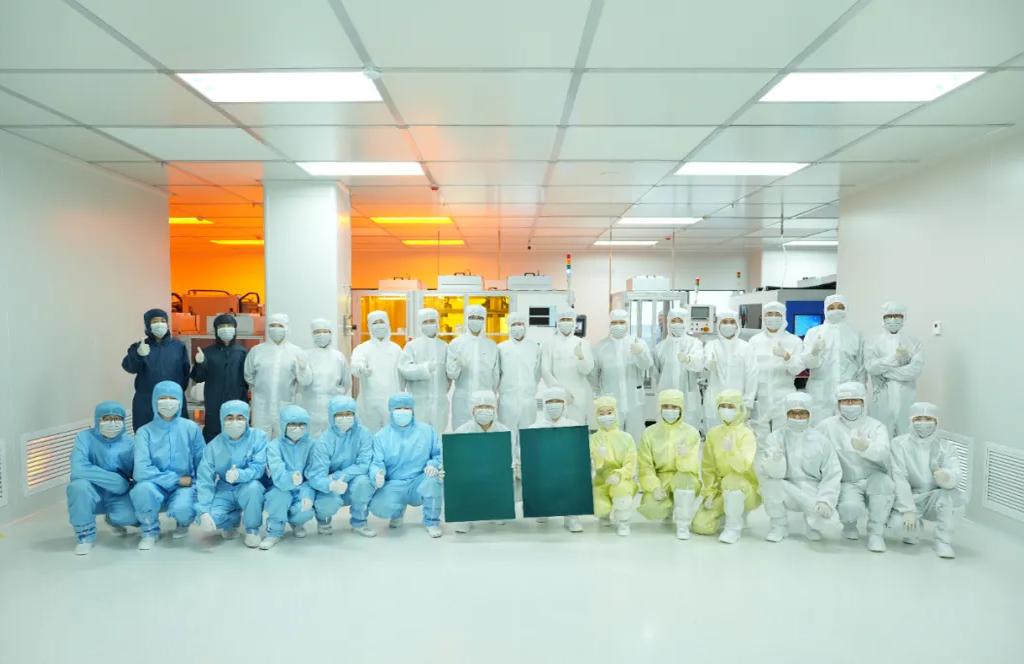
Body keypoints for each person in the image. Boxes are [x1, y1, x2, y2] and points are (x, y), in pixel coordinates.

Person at [816, 381, 894, 553]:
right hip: (847, 481)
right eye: (845, 401)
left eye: (854, 401)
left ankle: (876, 533)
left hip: (874, 477)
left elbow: (883, 451)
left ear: (863, 402)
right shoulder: (826, 426)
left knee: (885, 485)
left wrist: (866, 447)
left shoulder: (876, 426)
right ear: (837, 403)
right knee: (849, 508)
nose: (850, 405)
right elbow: (815, 451)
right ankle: (849, 525)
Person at [756, 392, 842, 543]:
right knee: (770, 485)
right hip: (786, 487)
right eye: (793, 413)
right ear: (786, 414)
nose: (797, 418)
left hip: (812, 489)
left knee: (831, 526)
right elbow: (771, 473)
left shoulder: (821, 441)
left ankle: (812, 527)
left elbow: (832, 474)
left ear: (810, 414)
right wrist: (776, 460)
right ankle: (779, 526)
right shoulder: (775, 437)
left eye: (802, 413)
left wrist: (826, 500)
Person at [129, 381, 205, 550]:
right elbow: (141, 471)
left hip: (185, 486)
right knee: (142, 490)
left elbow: (201, 461)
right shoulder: (145, 432)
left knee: (184, 510)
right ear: (155, 401)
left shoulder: (191, 428)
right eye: (163, 398)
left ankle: (183, 523)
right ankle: (150, 531)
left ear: (180, 401)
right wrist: (176, 480)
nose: (168, 402)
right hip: (155, 484)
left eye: (173, 398)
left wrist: (201, 487)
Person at [889, 402, 963, 559]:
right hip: (912, 497)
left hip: (933, 498)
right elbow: (899, 477)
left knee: (954, 497)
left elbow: (956, 473)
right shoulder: (899, 444)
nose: (923, 423)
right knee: (897, 527)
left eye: (928, 418)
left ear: (936, 422)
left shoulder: (946, 447)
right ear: (911, 421)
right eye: (918, 419)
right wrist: (908, 509)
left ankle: (942, 540)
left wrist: (947, 476)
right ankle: (914, 528)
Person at [367, 393, 444, 538]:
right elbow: (376, 462)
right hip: (394, 483)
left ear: (413, 410)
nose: (402, 411)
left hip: (419, 481)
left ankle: (432, 521)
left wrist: (433, 465)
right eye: (398, 408)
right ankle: (397, 512)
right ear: (391, 411)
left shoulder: (427, 431)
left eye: (406, 408)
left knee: (434, 480)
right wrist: (377, 473)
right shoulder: (381, 436)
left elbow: (438, 454)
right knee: (379, 506)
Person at [66, 401, 138, 555]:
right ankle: (85, 536)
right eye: (107, 418)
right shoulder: (84, 437)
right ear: (98, 419)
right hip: (92, 491)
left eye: (117, 418)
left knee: (131, 517)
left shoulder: (128, 443)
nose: (112, 423)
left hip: (118, 495)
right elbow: (79, 468)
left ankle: (113, 520)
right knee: (78, 487)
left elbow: (136, 472)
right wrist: (116, 482)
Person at [195, 401, 267, 549]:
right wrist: (204, 510)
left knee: (254, 488)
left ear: (247, 419)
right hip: (224, 489)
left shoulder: (258, 437)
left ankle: (252, 529)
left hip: (247, 485)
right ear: (222, 419)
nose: (235, 422)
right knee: (204, 519)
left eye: (240, 417)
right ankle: (232, 520)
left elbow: (259, 467)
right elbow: (204, 479)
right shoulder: (213, 446)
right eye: (230, 418)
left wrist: (240, 475)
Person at [692, 390, 761, 544]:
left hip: (745, 488)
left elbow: (742, 467)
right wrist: (710, 493)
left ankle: (733, 527)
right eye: (722, 406)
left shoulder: (747, 434)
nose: (726, 410)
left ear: (739, 408)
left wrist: (732, 452)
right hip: (722, 489)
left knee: (732, 480)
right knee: (701, 526)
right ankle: (729, 512)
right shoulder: (713, 434)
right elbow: (708, 468)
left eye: (731, 406)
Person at [636, 389, 702, 539]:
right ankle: (669, 509)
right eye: (666, 406)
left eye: (674, 407)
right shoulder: (650, 433)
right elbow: (645, 466)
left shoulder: (691, 433)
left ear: (681, 408)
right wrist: (654, 487)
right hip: (661, 478)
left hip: (683, 476)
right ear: (660, 408)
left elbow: (692, 467)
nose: (669, 410)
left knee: (684, 482)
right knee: (652, 508)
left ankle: (683, 524)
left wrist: (684, 457)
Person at [308, 395, 376, 538]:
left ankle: (360, 522)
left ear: (354, 414)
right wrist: (331, 484)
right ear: (332, 416)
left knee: (363, 482)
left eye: (348, 414)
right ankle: (324, 521)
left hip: (352, 481)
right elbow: (317, 475)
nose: (344, 418)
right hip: (331, 485)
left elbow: (364, 464)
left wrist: (337, 476)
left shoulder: (363, 434)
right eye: (340, 414)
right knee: (327, 501)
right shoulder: (324, 440)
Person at [452, 390, 514, 534]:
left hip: (495, 476)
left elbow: (511, 455)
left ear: (494, 409)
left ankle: (496, 510)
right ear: (472, 409)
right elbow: (454, 459)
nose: (484, 410)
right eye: (479, 407)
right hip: (470, 477)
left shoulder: (504, 431)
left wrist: (514, 465)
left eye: (488, 406)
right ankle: (465, 516)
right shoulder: (462, 431)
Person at [244, 313, 312, 439]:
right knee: (259, 441)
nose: (276, 329)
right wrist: (261, 389)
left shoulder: (296, 352)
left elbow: (305, 381)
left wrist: (303, 369)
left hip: (285, 406)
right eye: (272, 325)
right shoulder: (257, 351)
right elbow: (248, 376)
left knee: (284, 442)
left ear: (286, 328)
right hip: (261, 408)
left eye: (280, 326)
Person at [590, 309, 653, 443]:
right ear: (609, 324)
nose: (617, 325)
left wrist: (641, 353)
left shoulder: (638, 342)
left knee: (636, 438)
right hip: (611, 402)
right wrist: (599, 395)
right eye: (614, 322)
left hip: (634, 401)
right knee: (613, 439)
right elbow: (593, 374)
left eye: (621, 322)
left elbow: (646, 366)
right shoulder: (600, 347)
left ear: (627, 324)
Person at [121, 308, 190, 429]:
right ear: (148, 324)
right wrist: (138, 355)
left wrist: (176, 392)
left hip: (173, 400)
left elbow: (185, 372)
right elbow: (129, 367)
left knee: (177, 433)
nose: (160, 324)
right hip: (146, 401)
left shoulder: (178, 347)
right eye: (155, 321)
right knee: (146, 433)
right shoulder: (139, 346)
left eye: (163, 321)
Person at [260, 405, 317, 550]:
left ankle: (296, 523)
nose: (297, 428)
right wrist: (290, 478)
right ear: (284, 425)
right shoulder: (274, 446)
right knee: (279, 497)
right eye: (292, 424)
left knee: (305, 508)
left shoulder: (312, 445)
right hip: (280, 487)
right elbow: (277, 472)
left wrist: (308, 494)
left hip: (302, 488)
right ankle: (274, 532)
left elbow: (313, 474)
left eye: (301, 424)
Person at [865, 302, 925, 437]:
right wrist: (894, 359)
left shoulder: (914, 342)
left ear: (904, 317)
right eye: (889, 316)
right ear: (883, 318)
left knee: (906, 438)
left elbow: (914, 371)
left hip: (906, 399)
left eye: (897, 316)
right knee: (881, 436)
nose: (893, 320)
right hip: (881, 400)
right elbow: (871, 367)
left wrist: (885, 371)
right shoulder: (872, 342)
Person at [803, 295, 865, 424]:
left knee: (847, 427)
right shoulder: (814, 333)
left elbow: (861, 367)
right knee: (819, 427)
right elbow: (808, 364)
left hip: (847, 392)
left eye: (840, 307)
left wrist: (860, 391)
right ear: (825, 310)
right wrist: (814, 352)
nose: (836, 310)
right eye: (831, 307)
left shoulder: (855, 333)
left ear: (846, 309)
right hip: (821, 392)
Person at [531, 386, 584, 533]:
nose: (554, 405)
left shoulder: (574, 427)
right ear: (544, 404)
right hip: (544, 471)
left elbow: (581, 453)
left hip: (567, 471)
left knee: (572, 481)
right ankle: (542, 509)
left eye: (558, 401)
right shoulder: (534, 428)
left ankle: (571, 517)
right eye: (550, 401)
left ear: (564, 404)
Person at [749, 301, 805, 440]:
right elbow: (749, 371)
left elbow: (797, 370)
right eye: (769, 314)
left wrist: (786, 356)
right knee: (759, 438)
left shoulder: (794, 341)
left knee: (783, 438)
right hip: (760, 398)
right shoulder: (755, 341)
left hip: (783, 397)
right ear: (764, 317)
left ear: (783, 317)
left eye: (776, 314)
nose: (772, 318)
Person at [190, 313, 249, 442]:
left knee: (238, 435)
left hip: (237, 401)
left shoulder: (243, 352)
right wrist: (200, 364)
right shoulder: (208, 352)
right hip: (214, 404)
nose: (226, 329)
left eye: (229, 326)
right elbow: (198, 378)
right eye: (222, 326)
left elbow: (248, 379)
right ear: (216, 330)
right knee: (213, 437)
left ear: (235, 328)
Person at [398, 308, 451, 436]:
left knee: (438, 436)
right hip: (419, 403)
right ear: (420, 325)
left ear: (437, 323)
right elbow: (404, 369)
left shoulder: (444, 346)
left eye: (432, 321)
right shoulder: (412, 346)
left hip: (439, 403)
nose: (429, 325)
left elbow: (449, 375)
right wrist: (425, 368)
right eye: (425, 322)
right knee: (419, 436)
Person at [590, 397, 638, 537]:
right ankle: (604, 515)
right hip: (601, 480)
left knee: (621, 491)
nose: (606, 416)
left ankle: (623, 523)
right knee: (599, 507)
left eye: (609, 412)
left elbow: (631, 463)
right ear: (596, 416)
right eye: (601, 413)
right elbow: (590, 464)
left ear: (615, 413)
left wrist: (619, 474)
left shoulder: (626, 438)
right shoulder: (593, 439)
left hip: (621, 479)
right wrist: (599, 457)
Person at [446, 304, 499, 430]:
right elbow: (451, 374)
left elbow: (496, 376)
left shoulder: (491, 345)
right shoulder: (456, 343)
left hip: (484, 400)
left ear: (484, 320)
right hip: (462, 398)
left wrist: (492, 395)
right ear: (467, 319)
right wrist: (457, 364)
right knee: (461, 432)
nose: (476, 320)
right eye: (472, 317)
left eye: (479, 317)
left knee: (484, 432)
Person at [702, 309, 758, 427]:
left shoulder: (746, 347)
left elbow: (752, 375)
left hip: (738, 401)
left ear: (737, 325)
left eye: (732, 322)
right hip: (714, 401)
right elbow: (707, 361)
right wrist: (709, 364)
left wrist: (747, 403)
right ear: (719, 324)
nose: (728, 325)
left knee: (737, 436)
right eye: (724, 322)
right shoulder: (711, 345)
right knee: (714, 434)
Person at [350, 310, 403, 434]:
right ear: (369, 326)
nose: (379, 325)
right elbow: (356, 365)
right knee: (369, 435)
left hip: (392, 400)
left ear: (388, 324)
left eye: (381, 322)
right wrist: (361, 368)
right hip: (369, 401)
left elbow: (403, 373)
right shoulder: (362, 348)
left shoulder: (396, 349)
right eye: (375, 323)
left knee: (391, 436)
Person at [653, 308, 705, 431]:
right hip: (666, 397)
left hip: (688, 395)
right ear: (668, 323)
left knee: (689, 431)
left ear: (686, 322)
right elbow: (656, 375)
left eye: (680, 321)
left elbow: (699, 365)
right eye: (674, 321)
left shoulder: (694, 343)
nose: (677, 324)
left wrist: (688, 359)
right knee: (666, 432)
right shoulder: (660, 347)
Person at [540, 308, 594, 426]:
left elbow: (587, 370)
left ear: (574, 322)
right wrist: (562, 393)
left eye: (568, 319)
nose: (566, 322)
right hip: (556, 397)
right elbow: (546, 372)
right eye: (563, 320)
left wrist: (581, 357)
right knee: (556, 428)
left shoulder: (583, 344)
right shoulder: (549, 344)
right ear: (558, 322)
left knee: (576, 428)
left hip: (577, 397)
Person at [299, 318, 351, 438]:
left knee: (334, 442)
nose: (321, 335)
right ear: (313, 334)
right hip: (310, 410)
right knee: (311, 443)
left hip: (334, 411)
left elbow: (346, 384)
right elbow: (303, 382)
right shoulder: (305, 355)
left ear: (330, 333)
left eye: (325, 331)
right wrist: (302, 368)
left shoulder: (338, 357)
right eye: (318, 332)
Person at [498, 312, 542, 430]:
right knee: (507, 433)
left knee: (527, 434)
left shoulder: (534, 348)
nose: (517, 327)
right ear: (509, 327)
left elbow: (537, 373)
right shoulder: (501, 348)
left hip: (528, 400)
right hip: (507, 401)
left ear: (525, 326)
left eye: (520, 324)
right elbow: (497, 374)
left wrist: (529, 387)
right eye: (514, 324)